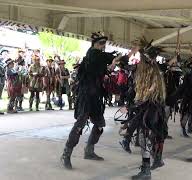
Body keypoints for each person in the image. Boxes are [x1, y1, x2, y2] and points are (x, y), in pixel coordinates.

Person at [60, 32, 122, 170]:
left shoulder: (98, 57)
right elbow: (106, 58)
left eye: (104, 44)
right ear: (94, 44)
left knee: (99, 124)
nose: (102, 46)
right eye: (100, 44)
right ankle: (66, 154)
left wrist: (115, 62)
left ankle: (89, 150)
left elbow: (107, 63)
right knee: (80, 124)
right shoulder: (93, 54)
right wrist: (119, 58)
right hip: (86, 96)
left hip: (96, 97)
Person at [120, 44, 167, 180]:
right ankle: (150, 165)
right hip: (144, 108)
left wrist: (129, 107)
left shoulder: (154, 74)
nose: (140, 61)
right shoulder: (140, 69)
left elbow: (146, 96)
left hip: (152, 110)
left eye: (142, 58)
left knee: (144, 138)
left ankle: (147, 170)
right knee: (143, 138)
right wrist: (131, 52)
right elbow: (123, 64)